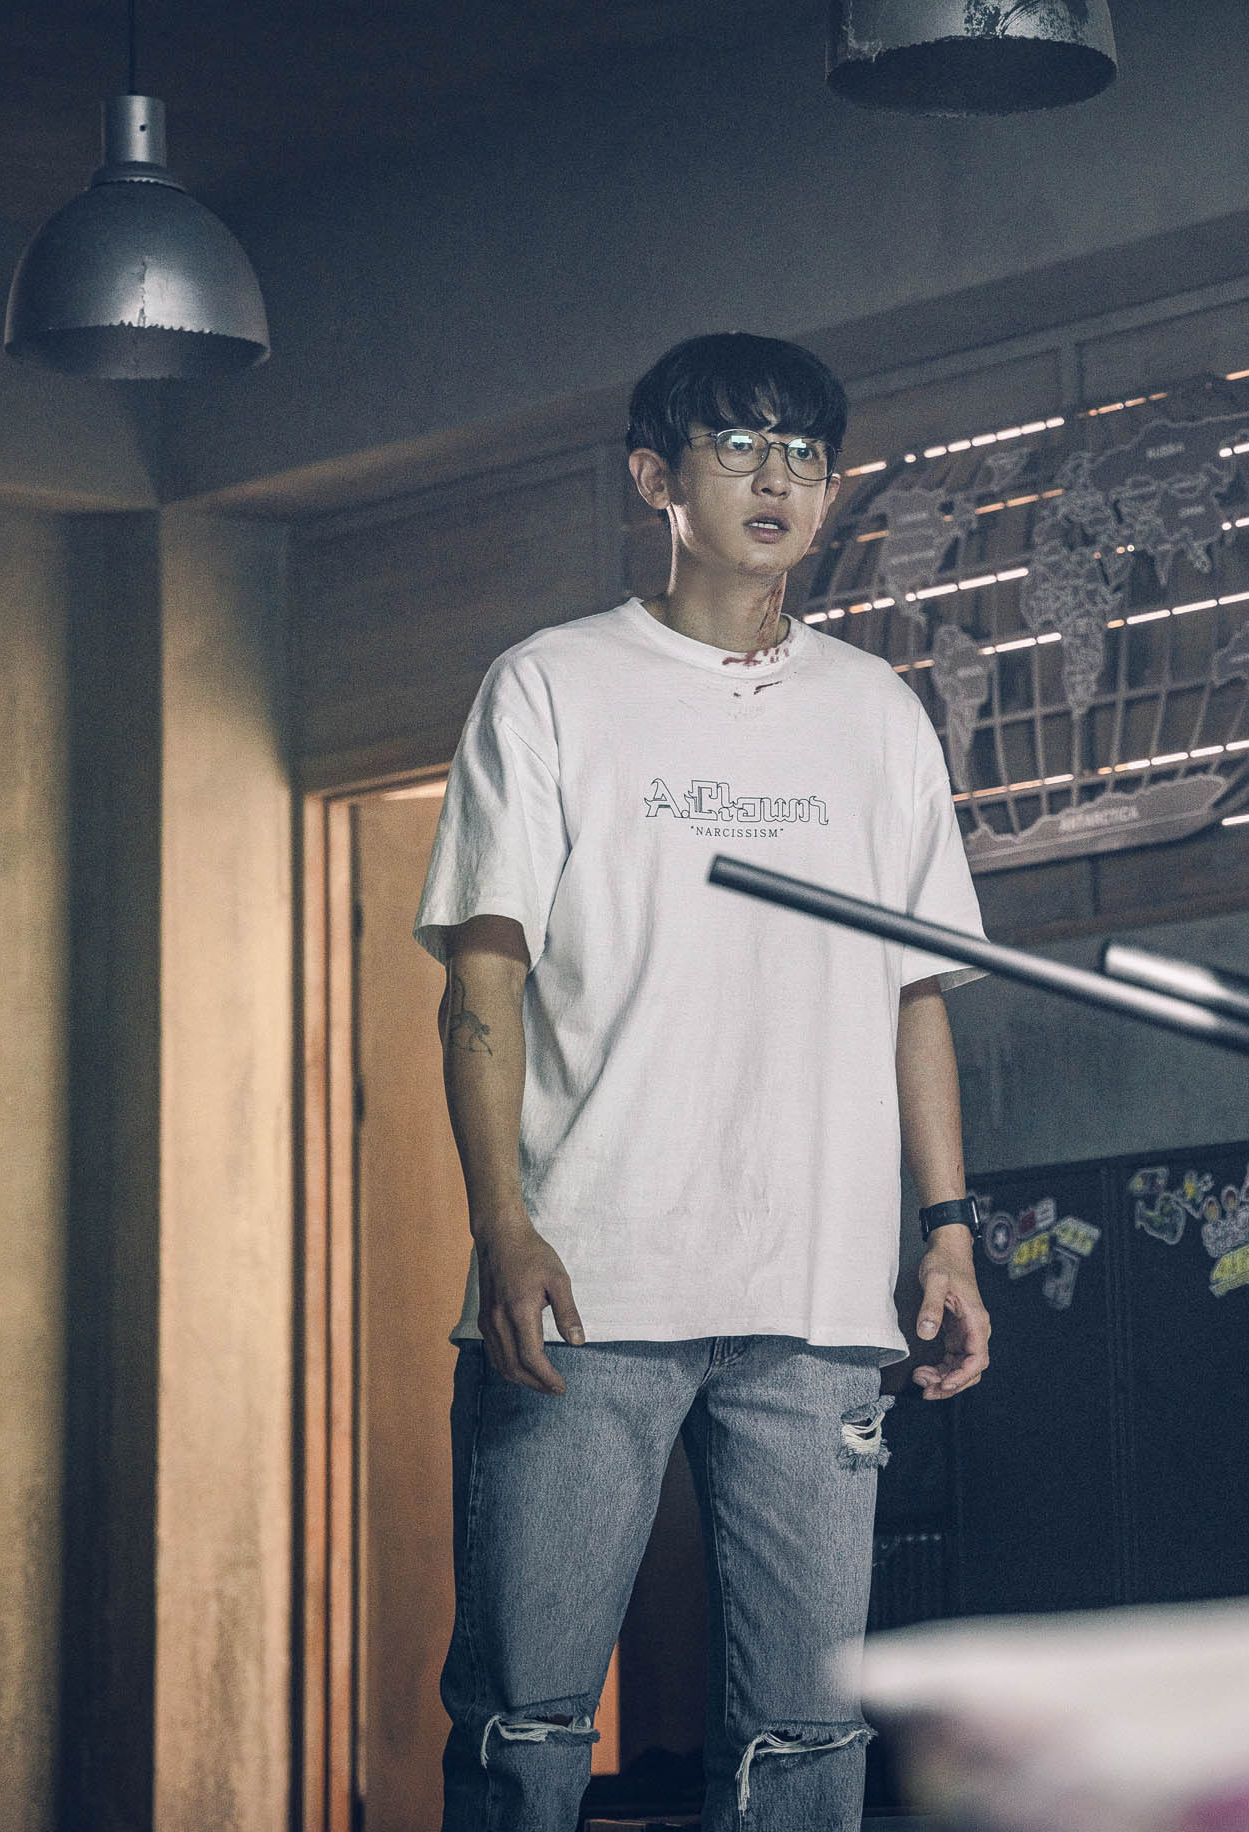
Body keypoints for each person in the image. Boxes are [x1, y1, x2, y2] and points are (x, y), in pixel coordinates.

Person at [417, 332, 994, 1831]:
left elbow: (917, 994)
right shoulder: (551, 687)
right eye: (737, 446)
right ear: (654, 477)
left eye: (803, 452)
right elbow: (481, 981)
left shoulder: (879, 712)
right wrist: (503, 1230)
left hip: (816, 1297)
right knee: (528, 1717)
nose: (775, 477)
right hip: (589, 1283)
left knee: (810, 1737)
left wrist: (946, 1228)